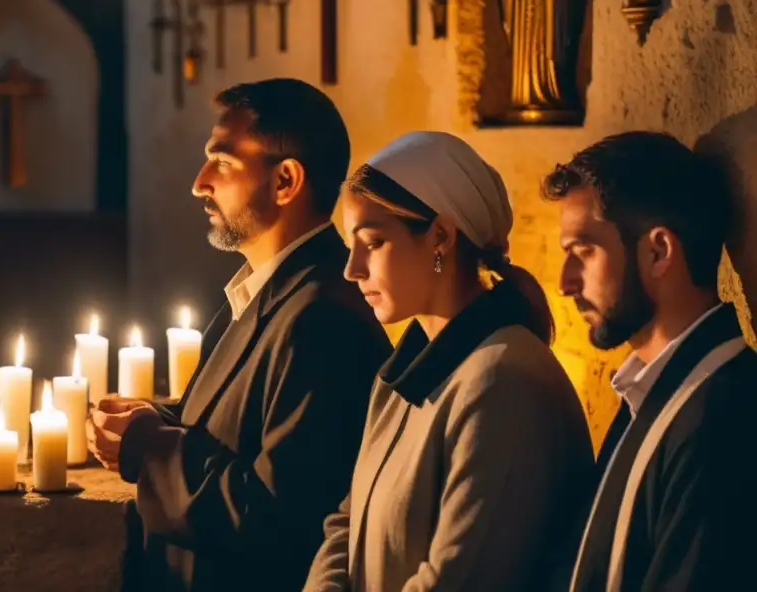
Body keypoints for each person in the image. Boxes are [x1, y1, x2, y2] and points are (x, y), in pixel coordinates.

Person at [88, 78, 391, 592]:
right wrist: (152, 417)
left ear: (285, 181)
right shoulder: (269, 292)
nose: (200, 181)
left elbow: (275, 516)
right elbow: (233, 433)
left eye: (223, 163)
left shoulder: (322, 320)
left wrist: (148, 446)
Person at [305, 131, 594, 592]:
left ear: (440, 237)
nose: (351, 268)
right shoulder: (407, 369)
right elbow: (347, 520)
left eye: (373, 242)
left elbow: (461, 577)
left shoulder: (502, 382)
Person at [544, 131, 757, 592]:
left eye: (584, 252)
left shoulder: (725, 416)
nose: (564, 282)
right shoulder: (649, 395)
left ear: (658, 251)